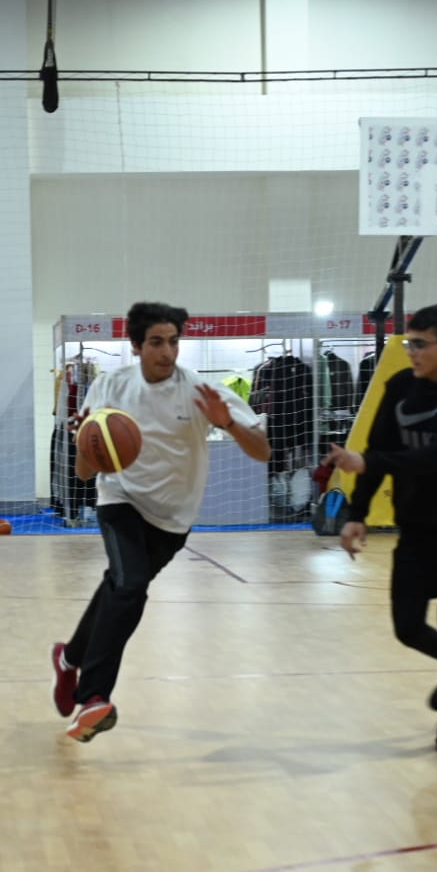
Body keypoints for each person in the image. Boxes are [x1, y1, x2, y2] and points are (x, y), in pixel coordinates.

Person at [49, 302, 269, 742]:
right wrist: (87, 445)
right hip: (120, 500)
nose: (167, 352)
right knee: (130, 586)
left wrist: (228, 424)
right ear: (135, 346)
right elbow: (84, 474)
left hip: (172, 519)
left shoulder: (201, 391)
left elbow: (262, 451)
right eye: (156, 343)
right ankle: (94, 698)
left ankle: (69, 658)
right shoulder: (110, 386)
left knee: (119, 587)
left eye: (173, 342)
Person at [330, 303, 437, 753]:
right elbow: (376, 449)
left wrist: (368, 462)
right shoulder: (401, 387)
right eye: (409, 342)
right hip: (419, 523)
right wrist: (356, 512)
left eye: (421, 344)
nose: (411, 352)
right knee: (407, 628)